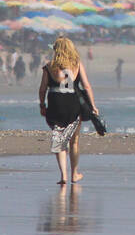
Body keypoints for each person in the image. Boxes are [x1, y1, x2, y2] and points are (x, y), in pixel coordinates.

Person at [39, 36, 96, 185]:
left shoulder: (49, 66)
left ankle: (63, 175)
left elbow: (43, 88)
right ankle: (74, 174)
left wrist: (41, 104)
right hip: (73, 104)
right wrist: (93, 106)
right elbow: (87, 86)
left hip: (55, 104)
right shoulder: (76, 64)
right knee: (74, 141)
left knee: (59, 139)